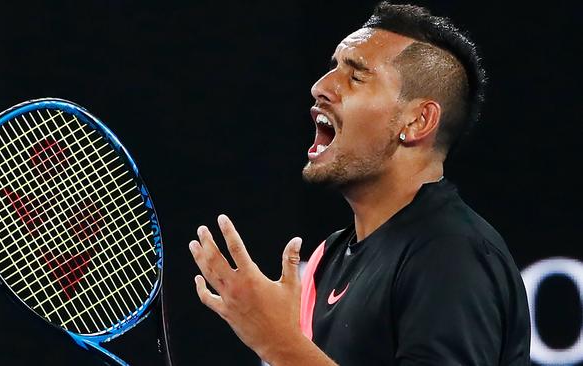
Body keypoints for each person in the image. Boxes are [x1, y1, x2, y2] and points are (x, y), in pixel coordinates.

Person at [188, 2, 531, 365]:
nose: (321, 86)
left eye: (355, 76)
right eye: (333, 67)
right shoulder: (328, 259)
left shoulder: (452, 255)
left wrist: (279, 343)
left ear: (417, 121)